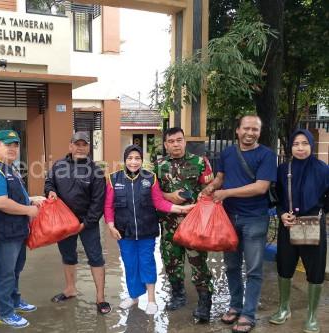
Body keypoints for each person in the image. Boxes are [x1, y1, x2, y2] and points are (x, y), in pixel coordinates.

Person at [202, 115, 277, 333]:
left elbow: (261, 187)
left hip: (255, 219)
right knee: (232, 266)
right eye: (246, 128)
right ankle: (236, 305)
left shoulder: (267, 155)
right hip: (229, 218)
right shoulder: (227, 153)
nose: (250, 133)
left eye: (255, 129)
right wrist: (211, 188)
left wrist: (225, 193)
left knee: (253, 269)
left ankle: (248, 314)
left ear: (259, 133)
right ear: (238, 130)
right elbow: (220, 177)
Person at [104, 145, 194, 314]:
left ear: (141, 160)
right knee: (130, 264)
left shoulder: (150, 178)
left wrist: (181, 209)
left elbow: (159, 202)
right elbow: (108, 206)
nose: (133, 162)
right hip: (124, 232)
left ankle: (151, 300)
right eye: (130, 158)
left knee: (147, 263)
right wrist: (110, 225)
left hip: (147, 231)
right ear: (124, 160)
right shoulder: (113, 179)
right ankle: (133, 297)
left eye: (137, 158)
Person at [269, 129, 328, 333]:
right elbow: (274, 194)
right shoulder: (284, 169)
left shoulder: (322, 169)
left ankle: (311, 315)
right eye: (296, 144)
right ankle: (284, 308)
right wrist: (281, 213)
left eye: (304, 143)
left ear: (311, 145)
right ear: (290, 146)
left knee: (315, 268)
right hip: (289, 224)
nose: (300, 148)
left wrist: (319, 212)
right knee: (285, 265)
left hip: (312, 224)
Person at [45, 132, 111, 315]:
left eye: (84, 144)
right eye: (77, 144)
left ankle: (100, 297)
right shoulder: (58, 166)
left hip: (87, 224)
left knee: (96, 257)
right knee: (68, 256)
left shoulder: (96, 171)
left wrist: (85, 224)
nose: (80, 147)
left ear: (88, 147)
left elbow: (98, 202)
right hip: (64, 223)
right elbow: (49, 182)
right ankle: (70, 289)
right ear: (70, 146)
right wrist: (50, 192)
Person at [0, 130, 41, 329]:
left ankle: (15, 301)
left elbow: (15, 196)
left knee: (16, 269)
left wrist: (32, 200)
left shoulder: (10, 168)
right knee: (5, 273)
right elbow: (1, 203)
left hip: (16, 230)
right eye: (8, 144)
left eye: (15, 144)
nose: (12, 148)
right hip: (4, 233)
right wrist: (29, 210)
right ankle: (5, 313)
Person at [153, 127, 215, 321]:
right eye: (171, 141)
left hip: (194, 225)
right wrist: (168, 196)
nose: (176, 144)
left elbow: (210, 189)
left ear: (185, 142)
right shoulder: (159, 165)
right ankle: (178, 294)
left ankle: (205, 302)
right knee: (171, 261)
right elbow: (153, 194)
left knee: (198, 263)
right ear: (165, 144)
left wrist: (199, 198)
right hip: (169, 224)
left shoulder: (199, 162)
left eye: (179, 140)